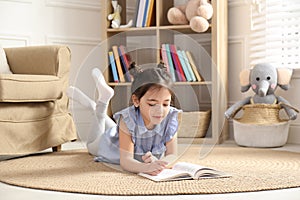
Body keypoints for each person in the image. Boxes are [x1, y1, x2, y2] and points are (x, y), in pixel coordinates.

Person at [67, 63, 181, 175]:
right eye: (152, 104)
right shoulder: (128, 119)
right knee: (91, 146)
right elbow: (126, 161)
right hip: (112, 143)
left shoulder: (170, 118)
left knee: (118, 128)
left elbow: (172, 155)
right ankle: (96, 107)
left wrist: (159, 164)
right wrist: (146, 167)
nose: (160, 110)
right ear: (136, 101)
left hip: (121, 132)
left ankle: (96, 106)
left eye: (166, 104)